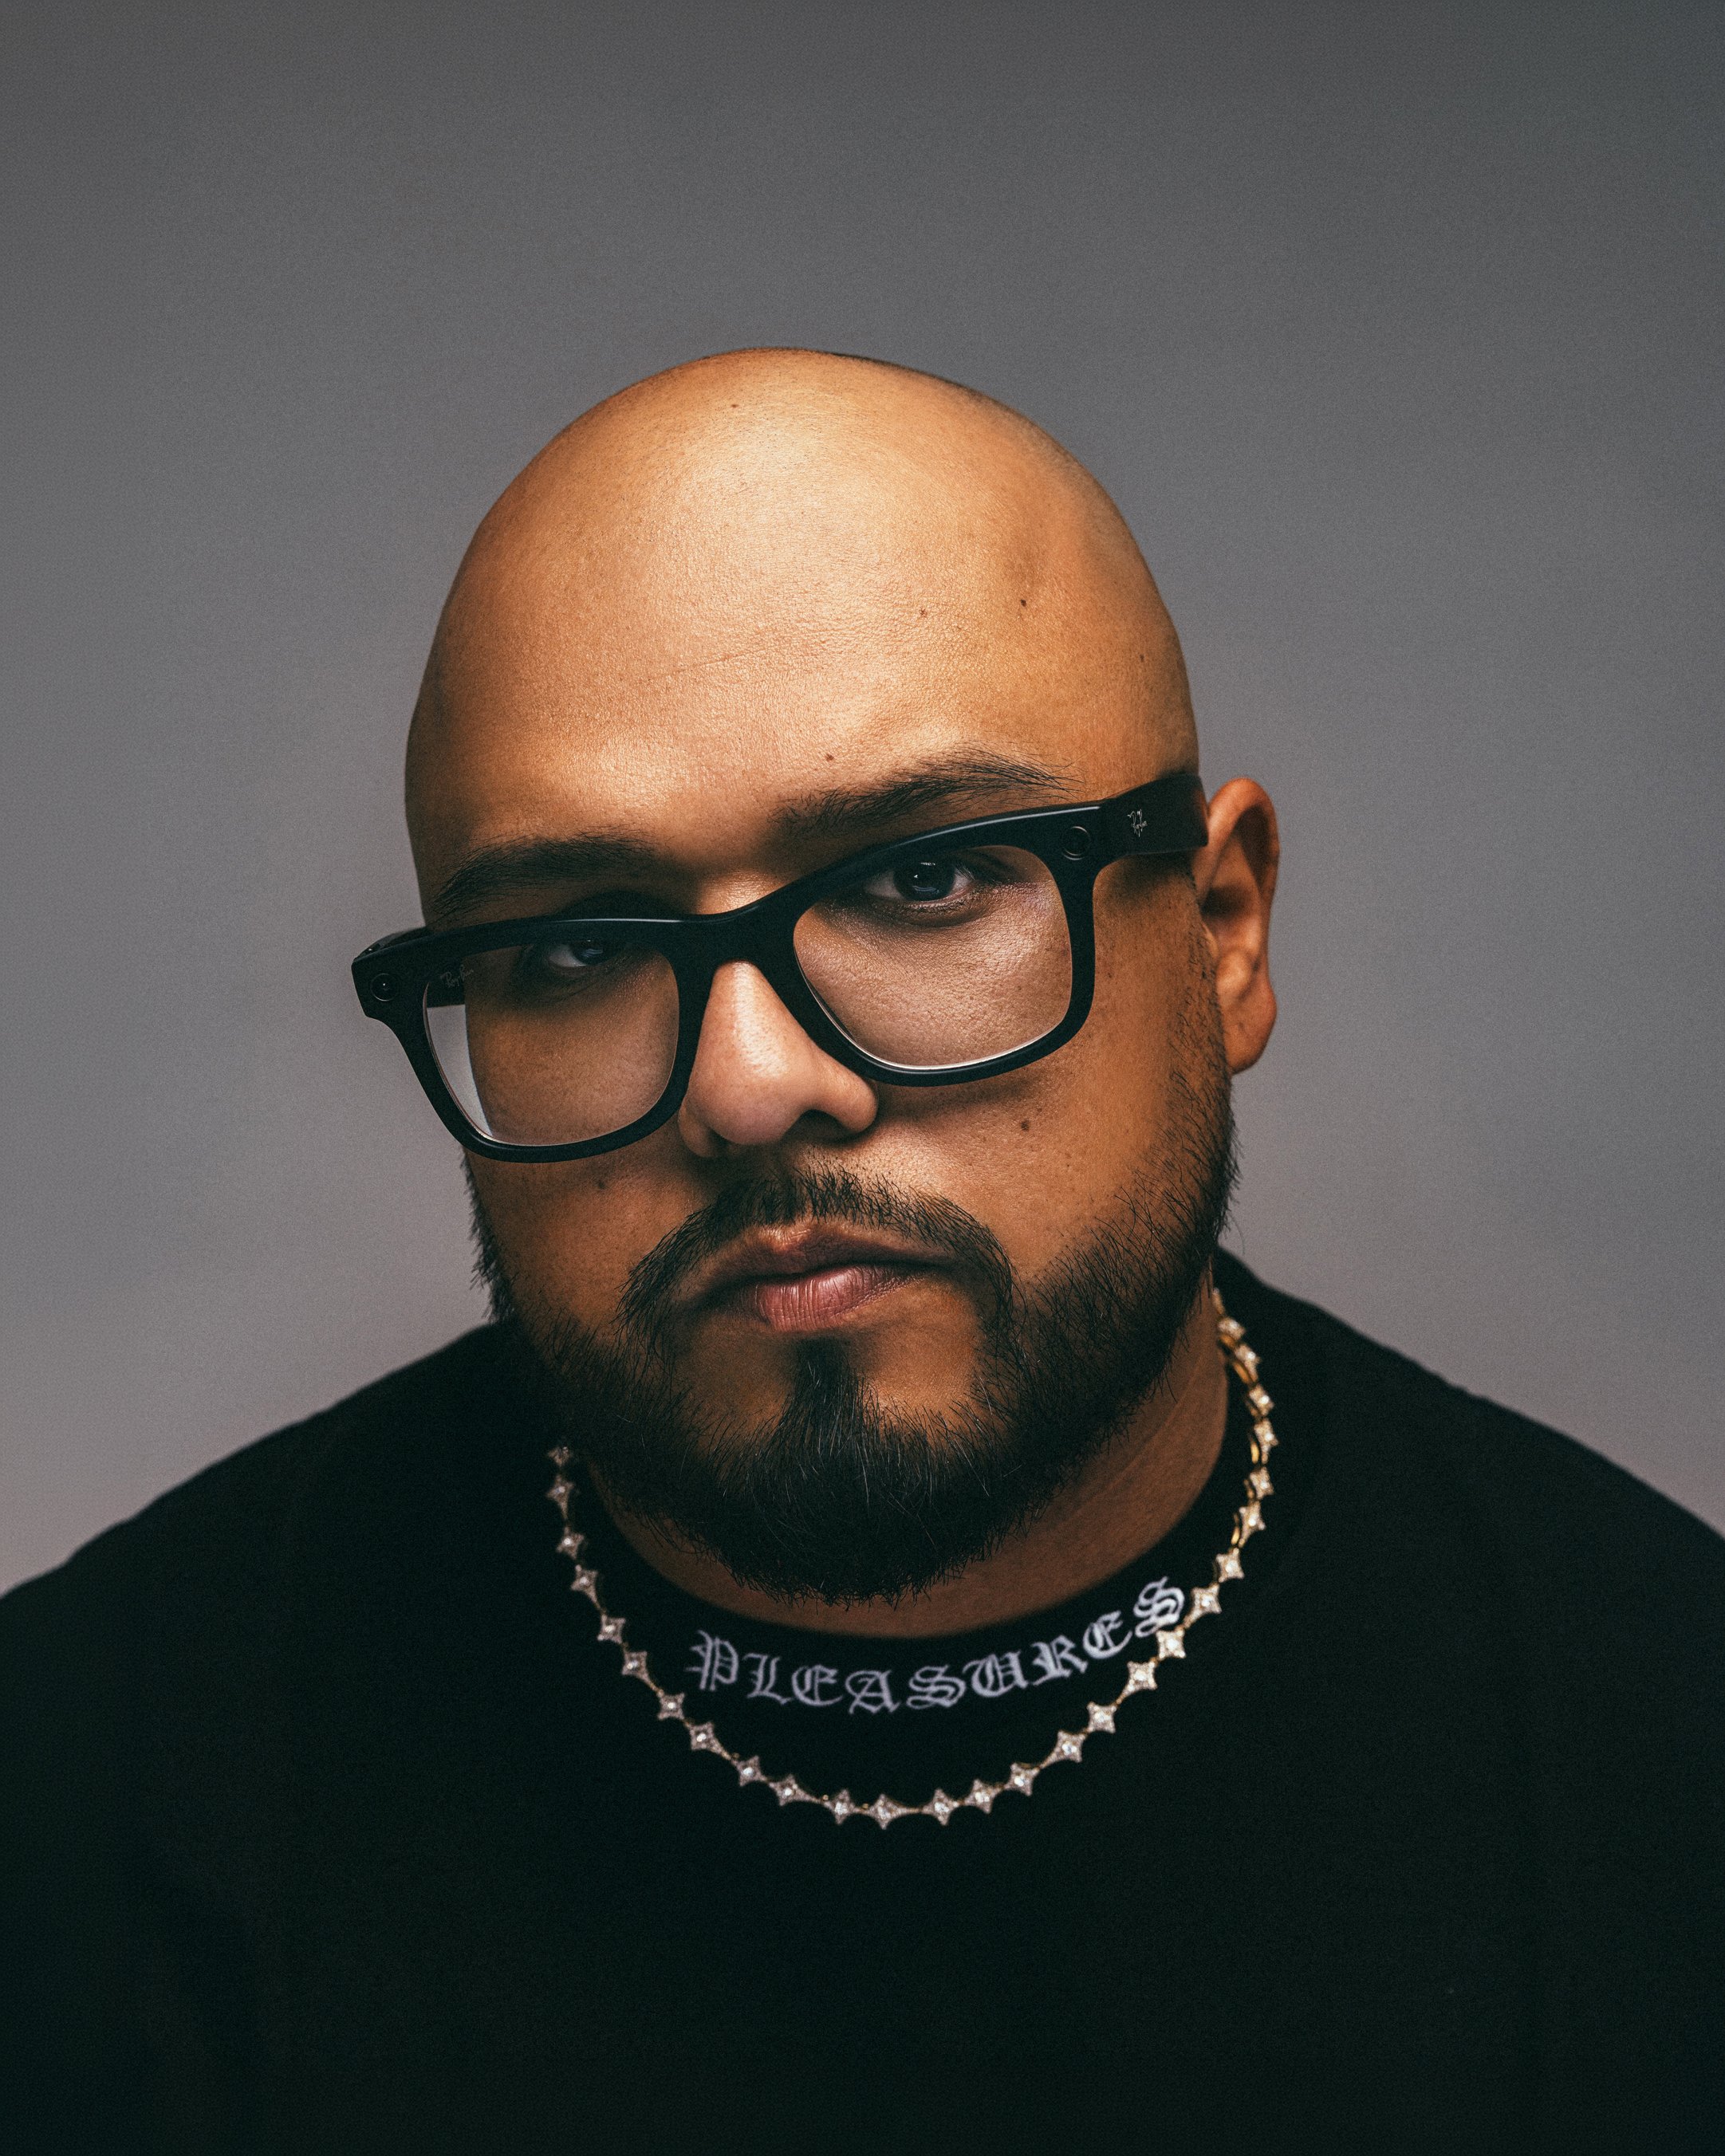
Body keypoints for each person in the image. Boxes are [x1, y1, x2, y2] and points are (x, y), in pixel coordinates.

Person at [3, 349, 1720, 2154]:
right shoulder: (81, 1811)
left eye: (921, 879)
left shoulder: (1659, 1777)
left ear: (1219, 930)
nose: (749, 1085)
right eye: (578, 944)